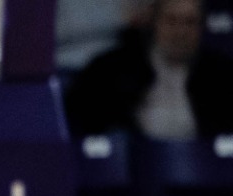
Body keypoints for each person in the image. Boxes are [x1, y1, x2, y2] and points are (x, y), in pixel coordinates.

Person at [65, 0, 233, 138]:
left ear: (202, 27)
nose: (180, 32)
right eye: (171, 20)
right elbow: (79, 120)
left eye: (190, 22)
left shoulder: (221, 74)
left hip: (204, 169)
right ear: (154, 23)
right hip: (131, 169)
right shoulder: (111, 68)